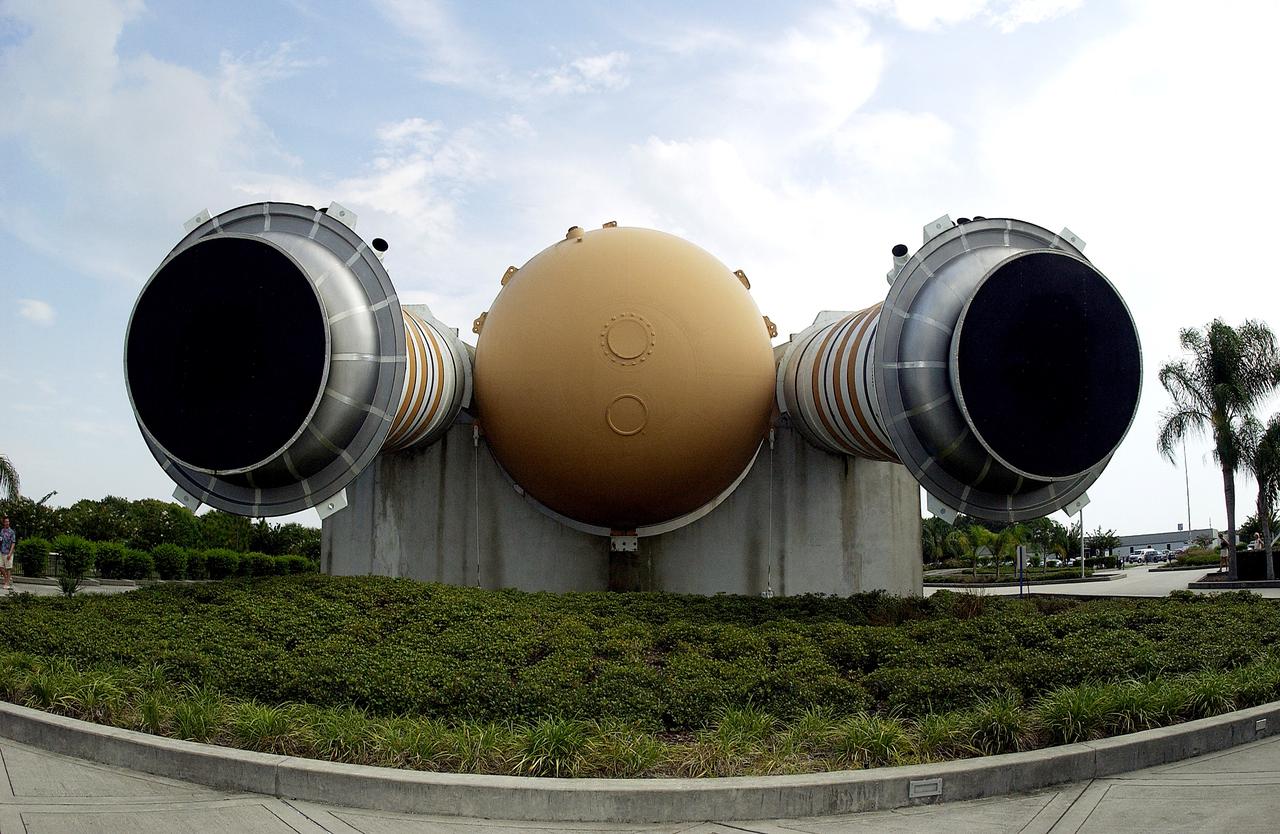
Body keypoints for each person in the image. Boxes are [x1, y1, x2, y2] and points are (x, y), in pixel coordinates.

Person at [0, 516, 15, 591]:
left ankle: (7, 583)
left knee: (8, 568)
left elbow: (13, 543)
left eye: (8, 521)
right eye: (6, 522)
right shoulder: (2, 531)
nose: (7, 523)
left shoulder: (12, 532)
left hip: (8, 552)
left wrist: (10, 553)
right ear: (4, 523)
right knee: (1, 567)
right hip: (1, 552)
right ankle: (6, 579)